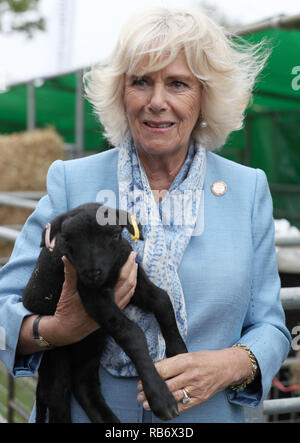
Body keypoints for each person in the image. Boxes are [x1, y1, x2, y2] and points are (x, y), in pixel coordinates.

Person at [0, 7, 291, 423]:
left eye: (177, 83)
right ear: (121, 93)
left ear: (205, 96)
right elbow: (4, 310)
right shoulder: (71, 180)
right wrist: (56, 331)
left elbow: (271, 327)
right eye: (141, 82)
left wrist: (229, 365)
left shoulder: (248, 191)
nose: (157, 102)